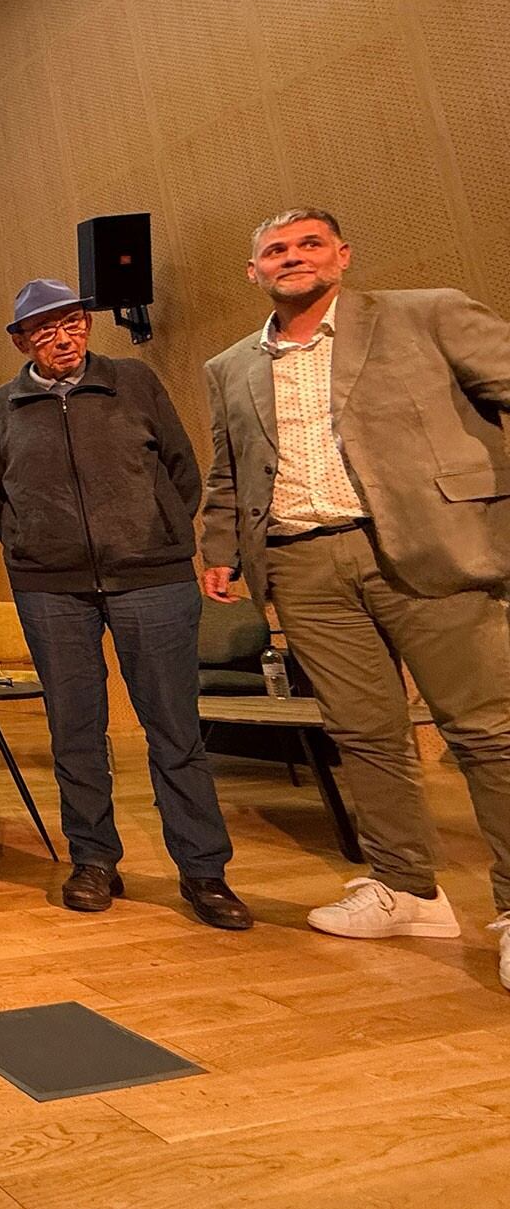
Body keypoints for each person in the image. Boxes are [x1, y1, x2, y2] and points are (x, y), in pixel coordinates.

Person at [203, 208, 510, 986]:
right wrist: (219, 550)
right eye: (275, 250)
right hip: (301, 563)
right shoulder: (230, 366)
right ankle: (406, 888)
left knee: (487, 732)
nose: (293, 257)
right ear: (254, 272)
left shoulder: (428, 313)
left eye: (309, 244)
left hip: (431, 547)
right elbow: (228, 469)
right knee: (364, 734)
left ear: (342, 255)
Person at [0, 279, 251, 930]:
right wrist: (33, 547)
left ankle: (203, 871)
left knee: (174, 731)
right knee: (74, 731)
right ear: (21, 342)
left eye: (73, 322)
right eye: (45, 329)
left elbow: (181, 470)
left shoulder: (135, 381)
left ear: (88, 325)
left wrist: (156, 536)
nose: (63, 338)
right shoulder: (2, 408)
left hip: (153, 579)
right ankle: (94, 859)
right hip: (51, 587)